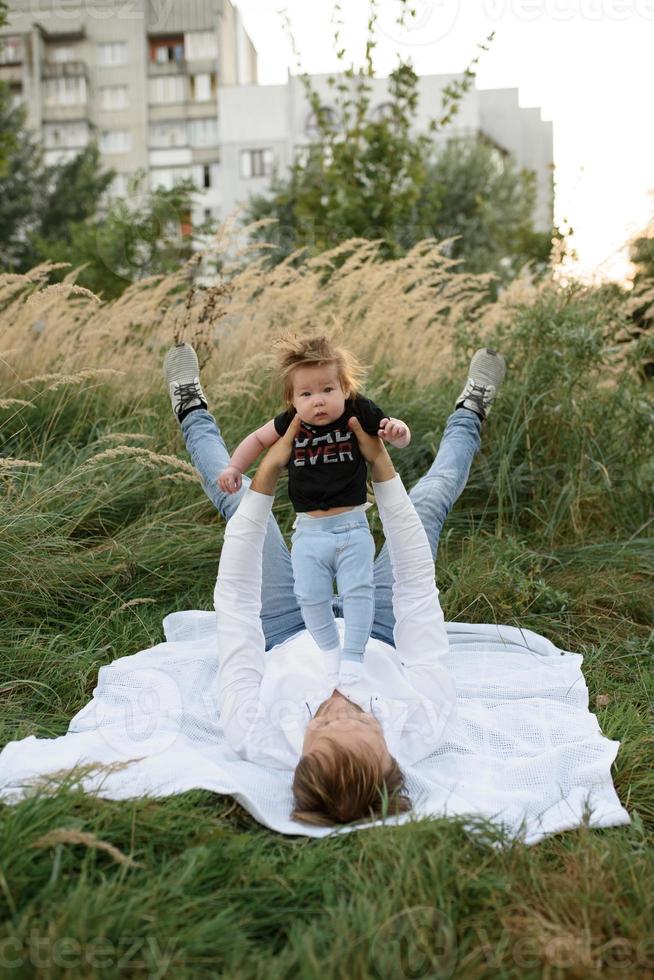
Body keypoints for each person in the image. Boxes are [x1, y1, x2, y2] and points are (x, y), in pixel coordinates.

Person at [163, 342, 506, 826]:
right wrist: (381, 466)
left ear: (299, 756)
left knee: (240, 507)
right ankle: (471, 409)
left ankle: (190, 407)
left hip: (287, 628)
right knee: (427, 504)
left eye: (323, 726)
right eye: (364, 723)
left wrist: (267, 473)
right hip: (382, 627)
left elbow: (236, 606)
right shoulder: (422, 724)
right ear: (390, 754)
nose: (340, 709)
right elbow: (415, 592)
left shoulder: (254, 733)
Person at [217, 334, 412, 672]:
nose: (318, 401)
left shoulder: (357, 410)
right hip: (309, 533)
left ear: (345, 389)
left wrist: (398, 431)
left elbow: (391, 431)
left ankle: (353, 656)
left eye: (327, 390)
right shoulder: (291, 423)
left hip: (352, 527)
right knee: (308, 595)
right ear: (292, 399)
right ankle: (329, 653)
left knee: (358, 591)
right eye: (306, 394)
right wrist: (235, 466)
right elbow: (259, 439)